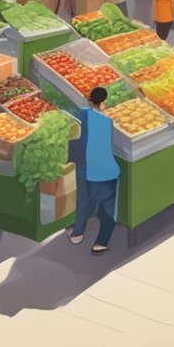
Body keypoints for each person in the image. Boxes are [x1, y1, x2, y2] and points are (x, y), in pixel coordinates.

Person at [70, 87, 121, 254]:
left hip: (83, 167)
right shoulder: (108, 122)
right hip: (104, 172)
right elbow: (109, 148)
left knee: (83, 201)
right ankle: (100, 242)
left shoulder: (81, 114)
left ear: (90, 101)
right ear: (104, 102)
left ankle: (77, 234)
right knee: (108, 209)